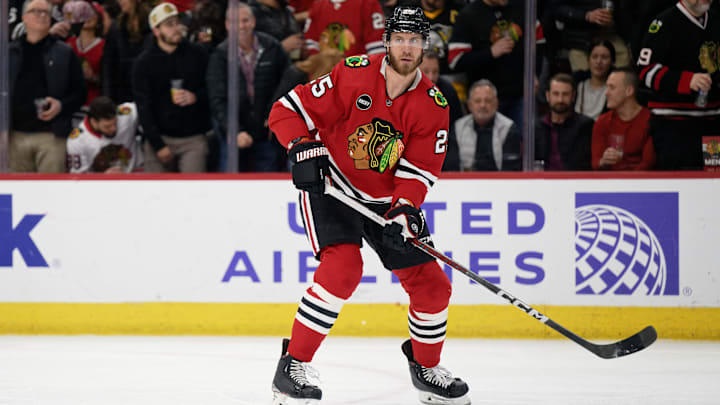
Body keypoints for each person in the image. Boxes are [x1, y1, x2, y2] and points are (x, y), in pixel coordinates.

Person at [268, 6, 470, 405]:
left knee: (432, 286)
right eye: (400, 39)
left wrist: (403, 209)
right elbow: (286, 111)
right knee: (343, 268)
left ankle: (426, 368)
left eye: (415, 40)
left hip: (383, 202)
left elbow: (419, 171)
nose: (407, 47)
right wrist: (302, 147)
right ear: (387, 40)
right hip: (333, 188)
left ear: (425, 46)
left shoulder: (434, 104)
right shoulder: (354, 72)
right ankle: (291, 367)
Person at [637, 0, 720, 170]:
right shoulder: (664, 23)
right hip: (674, 125)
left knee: (713, 182)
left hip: (712, 124)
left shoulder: (716, 21)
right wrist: (686, 80)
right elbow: (646, 71)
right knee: (684, 183)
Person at [207, 3, 290, 172]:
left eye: (245, 20)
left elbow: (287, 83)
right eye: (235, 22)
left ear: (253, 21)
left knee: (267, 183)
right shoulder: (220, 55)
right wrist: (235, 131)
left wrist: (275, 114)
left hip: (265, 129)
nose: (241, 26)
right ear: (227, 25)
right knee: (230, 184)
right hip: (233, 133)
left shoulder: (272, 47)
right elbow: (217, 99)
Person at [132, 2, 211, 173]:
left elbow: (212, 88)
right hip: (159, 137)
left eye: (177, 22)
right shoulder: (144, 63)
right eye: (169, 25)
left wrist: (195, 96)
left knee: (194, 191)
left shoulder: (198, 54)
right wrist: (158, 145)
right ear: (156, 31)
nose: (176, 28)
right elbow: (143, 106)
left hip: (193, 137)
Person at [8, 0, 86, 173]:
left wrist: (61, 105)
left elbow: (80, 93)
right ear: (24, 18)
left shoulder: (65, 52)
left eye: (46, 12)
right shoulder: (8, 53)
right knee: (20, 195)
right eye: (36, 11)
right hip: (15, 136)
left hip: (51, 137)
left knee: (51, 194)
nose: (42, 15)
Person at [447, 0, 544, 127]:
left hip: (521, 95)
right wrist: (490, 53)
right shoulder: (468, 15)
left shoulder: (522, 9)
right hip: (486, 99)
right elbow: (456, 61)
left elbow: (540, 44)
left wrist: (534, 72)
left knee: (523, 144)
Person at [449, 79, 522, 171]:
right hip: (465, 183)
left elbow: (511, 170)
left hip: (499, 183)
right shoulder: (458, 127)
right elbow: (451, 167)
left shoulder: (508, 128)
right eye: (478, 101)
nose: (483, 105)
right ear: (469, 105)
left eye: (488, 101)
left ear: (496, 104)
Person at [592, 68, 655, 170]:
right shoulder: (602, 121)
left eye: (612, 88)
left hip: (641, 183)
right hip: (610, 182)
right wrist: (604, 161)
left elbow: (648, 165)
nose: (606, 93)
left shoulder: (650, 121)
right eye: (607, 87)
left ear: (629, 91)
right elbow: (595, 162)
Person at [66, 96, 142, 173]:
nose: (113, 129)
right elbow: (77, 177)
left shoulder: (126, 114)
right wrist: (102, 177)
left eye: (115, 123)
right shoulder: (77, 141)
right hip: (99, 184)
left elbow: (147, 106)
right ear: (93, 121)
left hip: (135, 176)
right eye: (107, 126)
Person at [535, 73, 594, 171]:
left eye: (565, 94)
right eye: (556, 94)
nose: (560, 99)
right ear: (548, 96)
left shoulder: (585, 126)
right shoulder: (537, 127)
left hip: (575, 183)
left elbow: (583, 165)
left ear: (573, 96)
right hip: (543, 183)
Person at [551, 0, 631, 71]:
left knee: (623, 68)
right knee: (583, 76)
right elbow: (557, 9)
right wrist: (587, 16)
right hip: (580, 39)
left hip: (610, 34)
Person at [418, 51, 464, 170]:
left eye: (435, 72)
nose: (431, 77)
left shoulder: (448, 91)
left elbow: (456, 126)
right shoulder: (404, 90)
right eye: (426, 71)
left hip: (443, 143)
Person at [103, 0, 152, 103]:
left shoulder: (153, 24)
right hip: (121, 96)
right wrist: (107, 99)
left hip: (149, 94)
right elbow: (107, 66)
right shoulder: (116, 27)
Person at [303, 0, 386, 57]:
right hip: (325, 73)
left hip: (358, 71)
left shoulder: (368, 3)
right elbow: (311, 41)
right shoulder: (317, 5)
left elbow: (377, 46)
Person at [66, 1, 106, 107]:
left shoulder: (104, 46)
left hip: (94, 104)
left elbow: (111, 80)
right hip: (70, 103)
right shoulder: (68, 44)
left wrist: (92, 77)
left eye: (91, 13)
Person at [575, 40, 615, 120]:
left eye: (604, 57)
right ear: (588, 60)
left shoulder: (615, 89)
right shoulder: (576, 84)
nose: (599, 62)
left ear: (612, 62)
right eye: (594, 57)